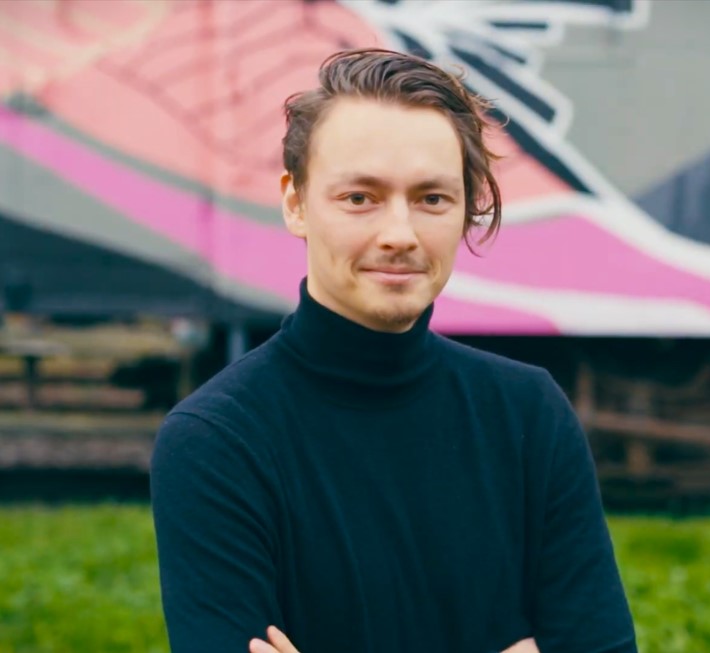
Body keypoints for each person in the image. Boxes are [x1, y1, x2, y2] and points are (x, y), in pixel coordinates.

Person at [150, 48, 637, 653]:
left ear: (465, 208)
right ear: (296, 203)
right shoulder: (217, 440)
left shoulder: (528, 415)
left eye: (432, 198)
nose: (400, 235)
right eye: (360, 198)